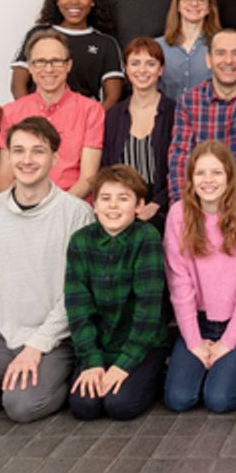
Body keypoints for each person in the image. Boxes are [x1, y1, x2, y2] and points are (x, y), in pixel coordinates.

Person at [0, 116, 94, 423]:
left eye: (38, 151)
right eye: (18, 151)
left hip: (53, 339)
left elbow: (77, 294)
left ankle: (48, 377)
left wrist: (37, 346)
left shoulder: (77, 214)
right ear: (8, 155)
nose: (27, 160)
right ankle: (6, 376)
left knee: (22, 406)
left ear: (55, 156)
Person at [162, 141, 236, 413]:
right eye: (200, 173)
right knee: (179, 399)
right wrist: (195, 342)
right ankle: (212, 361)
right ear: (190, 178)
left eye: (216, 172)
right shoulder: (178, 214)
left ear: (229, 176)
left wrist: (228, 342)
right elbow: (180, 284)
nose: (208, 180)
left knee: (219, 400)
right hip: (197, 320)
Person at [65, 166, 171, 421]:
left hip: (141, 345)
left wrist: (123, 365)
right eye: (105, 198)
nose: (113, 206)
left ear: (138, 205)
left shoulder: (146, 238)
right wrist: (91, 361)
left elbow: (148, 311)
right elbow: (78, 308)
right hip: (100, 344)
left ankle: (155, 376)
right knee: (84, 406)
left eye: (123, 198)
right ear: (95, 205)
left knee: (119, 405)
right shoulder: (80, 241)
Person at [168, 29, 236, 210]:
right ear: (208, 60)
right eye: (220, 53)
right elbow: (180, 158)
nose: (228, 61)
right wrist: (183, 208)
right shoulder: (189, 101)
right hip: (199, 206)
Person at [0, 29, 104, 198]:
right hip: (24, 209)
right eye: (40, 62)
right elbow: (4, 177)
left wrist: (55, 211)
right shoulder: (12, 112)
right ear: (30, 67)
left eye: (56, 61)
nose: (49, 69)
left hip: (72, 208)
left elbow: (88, 179)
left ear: (68, 66)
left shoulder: (91, 110)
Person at [11, 0, 124, 108]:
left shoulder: (106, 43)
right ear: (57, 0)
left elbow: (113, 96)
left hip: (83, 120)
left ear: (93, 1)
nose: (74, 1)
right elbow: (18, 84)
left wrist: (91, 121)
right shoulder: (38, 34)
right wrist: (32, 116)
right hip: (38, 118)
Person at [102, 37, 175, 232]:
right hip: (120, 200)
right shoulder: (113, 116)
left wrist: (155, 205)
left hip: (162, 204)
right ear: (126, 68)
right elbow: (106, 166)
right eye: (135, 63)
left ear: (161, 69)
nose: (142, 70)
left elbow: (180, 168)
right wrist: (120, 204)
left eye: (150, 64)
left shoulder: (174, 112)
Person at [156, 0, 222, 101]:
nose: (194, 4)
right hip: (169, 119)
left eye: (201, 0)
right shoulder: (158, 46)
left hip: (207, 118)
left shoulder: (220, 47)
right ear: (178, 6)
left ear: (209, 8)